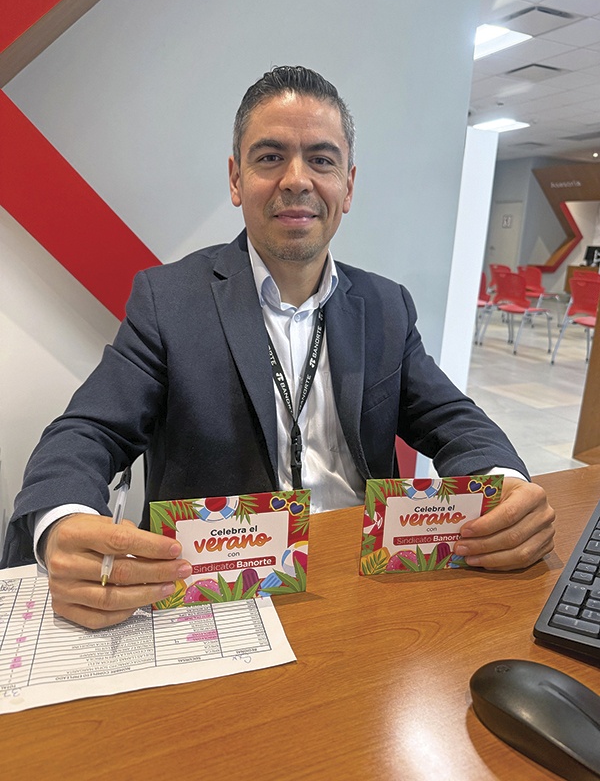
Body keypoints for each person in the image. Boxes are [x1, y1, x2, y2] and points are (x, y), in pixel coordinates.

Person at [1, 66, 554, 629]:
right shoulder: (168, 300)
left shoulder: (386, 306)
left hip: (361, 582)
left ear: (348, 186)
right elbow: (88, 430)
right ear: (236, 179)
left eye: (321, 160)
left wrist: (507, 487)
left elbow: (452, 418)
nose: (296, 180)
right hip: (221, 593)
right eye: (270, 157)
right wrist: (63, 520)